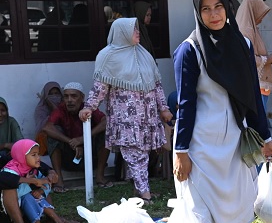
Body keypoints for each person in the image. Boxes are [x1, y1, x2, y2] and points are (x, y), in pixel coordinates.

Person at [173, 0, 272, 223]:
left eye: (218, 6)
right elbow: (185, 104)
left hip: (232, 142)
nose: (213, 14)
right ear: (198, 12)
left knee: (228, 211)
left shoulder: (243, 45)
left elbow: (251, 97)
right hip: (198, 147)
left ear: (227, 7)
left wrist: (267, 137)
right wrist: (182, 151)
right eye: (205, 9)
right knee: (202, 218)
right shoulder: (189, 50)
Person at [78, 18, 172, 203]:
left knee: (142, 154)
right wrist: (90, 106)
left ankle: (141, 190)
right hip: (126, 118)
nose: (137, 32)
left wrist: (163, 108)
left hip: (147, 116)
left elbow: (157, 84)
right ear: (121, 32)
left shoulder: (143, 54)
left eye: (137, 28)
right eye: (133, 29)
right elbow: (100, 87)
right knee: (134, 153)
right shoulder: (108, 56)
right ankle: (144, 194)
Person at [1, 139, 78, 223]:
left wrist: (50, 173)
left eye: (38, 154)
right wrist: (33, 181)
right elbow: (4, 178)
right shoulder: (11, 168)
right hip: (5, 214)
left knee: (39, 184)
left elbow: (37, 164)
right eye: (34, 155)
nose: (38, 157)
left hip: (25, 204)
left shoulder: (26, 165)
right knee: (11, 187)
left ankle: (52, 219)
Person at [43, 82, 111, 192]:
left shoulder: (88, 109)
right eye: (66, 96)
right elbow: (47, 128)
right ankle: (59, 180)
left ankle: (100, 176)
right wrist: (72, 142)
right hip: (69, 158)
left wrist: (83, 139)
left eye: (74, 96)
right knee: (53, 135)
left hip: (90, 157)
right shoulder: (60, 110)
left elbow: (106, 122)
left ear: (82, 98)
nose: (69, 100)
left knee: (105, 133)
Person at [235, 0, 272, 110]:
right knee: (257, 124)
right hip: (254, 87)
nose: (262, 17)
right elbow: (247, 59)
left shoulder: (252, 29)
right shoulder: (245, 31)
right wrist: (269, 59)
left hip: (260, 87)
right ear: (252, 11)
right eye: (260, 12)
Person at [33, 82, 63, 150]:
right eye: (50, 94)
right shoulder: (40, 109)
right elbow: (42, 127)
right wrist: (54, 109)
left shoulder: (65, 106)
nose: (54, 96)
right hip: (45, 141)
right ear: (46, 96)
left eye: (56, 93)